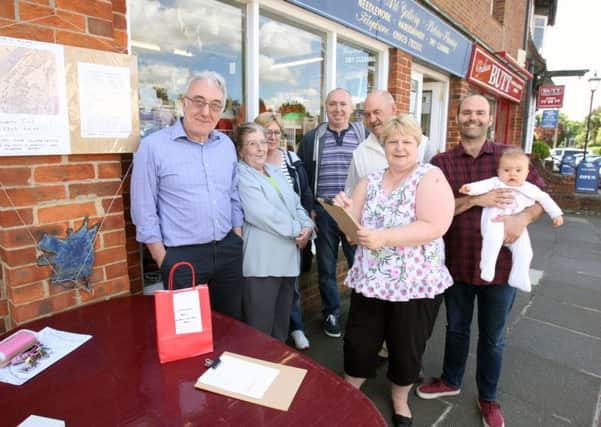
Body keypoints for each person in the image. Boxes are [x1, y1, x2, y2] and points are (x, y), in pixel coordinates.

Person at [416, 94, 546, 427]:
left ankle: (488, 398)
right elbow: (436, 208)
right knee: (456, 328)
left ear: (489, 119)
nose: (473, 118)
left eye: (480, 113)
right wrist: (477, 199)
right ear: (457, 118)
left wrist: (522, 220)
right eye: (467, 112)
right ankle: (450, 380)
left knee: (493, 336)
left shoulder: (509, 157)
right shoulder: (442, 163)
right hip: (457, 263)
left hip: (500, 267)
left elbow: (540, 198)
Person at [333, 115, 455, 427]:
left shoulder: (431, 176)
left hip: (415, 284)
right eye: (392, 141)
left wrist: (384, 236)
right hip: (371, 281)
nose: (399, 147)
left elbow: (434, 226)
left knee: (406, 347)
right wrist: (343, 212)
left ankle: (400, 401)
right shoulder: (369, 181)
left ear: (418, 144)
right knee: (360, 341)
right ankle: (350, 391)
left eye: (407, 141)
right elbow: (351, 234)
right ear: (383, 146)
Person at [130, 71, 244, 320]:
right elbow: (143, 209)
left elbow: (233, 194)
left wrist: (237, 236)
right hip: (182, 259)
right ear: (184, 102)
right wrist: (165, 261)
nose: (206, 112)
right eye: (199, 101)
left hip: (228, 251)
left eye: (215, 105)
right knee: (189, 336)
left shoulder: (225, 146)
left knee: (231, 326)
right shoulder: (153, 147)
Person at [298, 88, 366, 338]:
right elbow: (304, 178)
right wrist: (311, 210)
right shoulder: (312, 139)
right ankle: (331, 313)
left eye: (343, 104)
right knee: (326, 266)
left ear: (351, 108)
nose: (338, 109)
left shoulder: (364, 136)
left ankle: (361, 313)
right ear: (326, 108)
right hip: (325, 211)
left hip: (353, 212)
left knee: (358, 264)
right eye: (333, 104)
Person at [235, 123, 314, 342]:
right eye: (252, 144)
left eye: (262, 142)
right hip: (263, 266)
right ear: (241, 150)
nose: (260, 148)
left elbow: (297, 204)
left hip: (287, 261)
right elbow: (262, 214)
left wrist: (308, 227)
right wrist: (300, 230)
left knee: (280, 328)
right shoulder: (242, 175)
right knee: (259, 332)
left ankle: (278, 372)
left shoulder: (273, 172)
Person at [459, 147, 564, 292]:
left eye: (518, 171)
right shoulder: (496, 182)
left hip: (517, 226)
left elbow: (544, 199)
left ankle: (519, 276)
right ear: (499, 172)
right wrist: (470, 189)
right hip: (495, 221)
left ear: (527, 173)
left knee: (525, 251)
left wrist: (556, 214)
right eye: (507, 170)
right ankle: (487, 267)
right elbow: (482, 185)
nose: (512, 174)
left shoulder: (529, 188)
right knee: (492, 241)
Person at [345, 90, 437, 196]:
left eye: (377, 112)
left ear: (393, 109)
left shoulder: (422, 145)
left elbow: (436, 190)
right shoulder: (360, 153)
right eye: (367, 115)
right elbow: (350, 193)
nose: (372, 119)